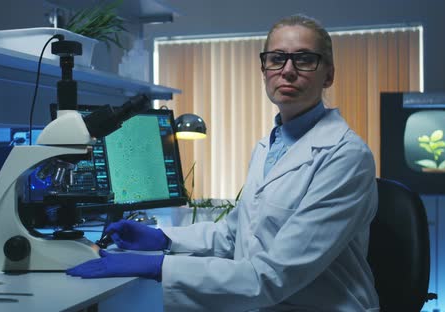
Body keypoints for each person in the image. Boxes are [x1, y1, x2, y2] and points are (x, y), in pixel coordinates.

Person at [66, 14, 379, 311]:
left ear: (329, 74)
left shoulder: (345, 156)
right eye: (276, 57)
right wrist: (163, 239)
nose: (288, 69)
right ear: (264, 68)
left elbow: (272, 276)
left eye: (304, 59)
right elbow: (235, 233)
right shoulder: (270, 146)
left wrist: (158, 265)